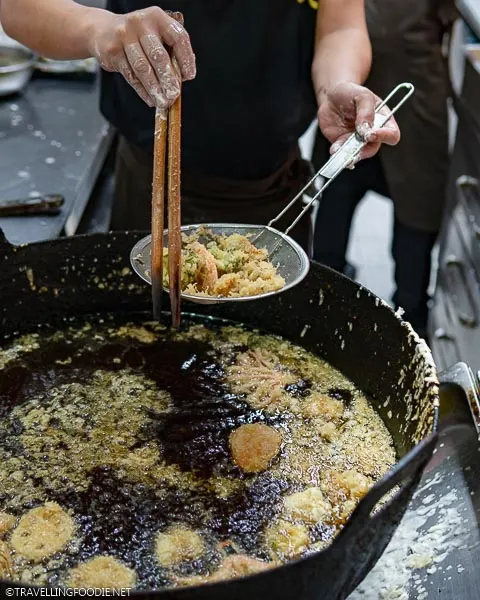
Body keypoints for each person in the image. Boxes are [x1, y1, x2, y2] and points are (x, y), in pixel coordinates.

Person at [1, 0, 400, 256]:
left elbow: (340, 26)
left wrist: (337, 84)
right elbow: (19, 8)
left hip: (275, 188)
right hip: (149, 190)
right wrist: (97, 28)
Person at [312, 0, 457, 337]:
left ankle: (411, 319)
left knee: (416, 220)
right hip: (347, 100)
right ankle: (322, 307)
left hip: (415, 96)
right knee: (334, 207)